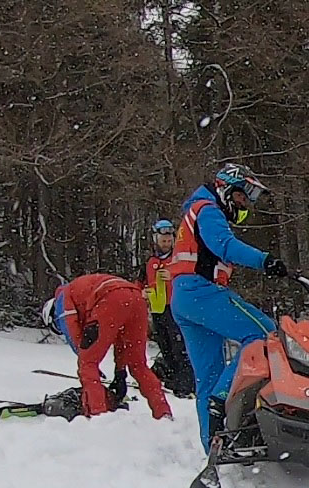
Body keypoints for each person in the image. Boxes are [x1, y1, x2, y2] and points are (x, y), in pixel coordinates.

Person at [168, 163, 288, 451]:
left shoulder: (196, 210)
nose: (245, 204)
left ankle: (213, 445)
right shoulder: (207, 209)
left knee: (207, 376)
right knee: (266, 334)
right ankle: (223, 398)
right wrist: (266, 260)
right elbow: (226, 246)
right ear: (226, 188)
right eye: (243, 196)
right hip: (201, 293)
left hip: (184, 299)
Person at [41, 273, 173, 420]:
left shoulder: (63, 298)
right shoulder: (81, 290)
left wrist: (89, 359)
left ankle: (99, 415)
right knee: (138, 365)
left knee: (87, 364)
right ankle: (163, 412)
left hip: (110, 298)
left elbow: (74, 334)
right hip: (136, 298)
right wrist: (120, 372)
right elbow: (120, 338)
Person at [143, 218, 194, 397]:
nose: (166, 243)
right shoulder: (151, 262)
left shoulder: (178, 258)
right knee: (166, 348)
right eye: (163, 240)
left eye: (169, 240)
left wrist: (172, 275)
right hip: (158, 309)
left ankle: (186, 385)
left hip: (176, 308)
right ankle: (173, 380)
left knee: (179, 348)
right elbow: (141, 281)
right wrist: (142, 292)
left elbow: (191, 273)